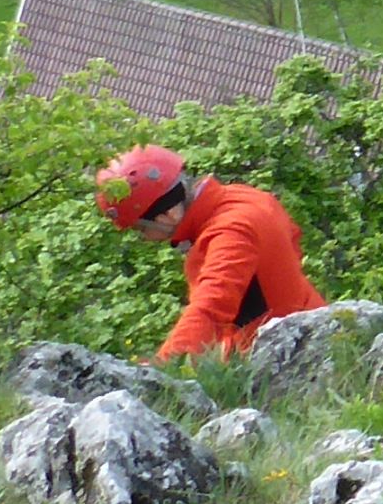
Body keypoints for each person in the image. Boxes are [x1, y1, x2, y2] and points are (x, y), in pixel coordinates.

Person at [94, 144, 325, 363]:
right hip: (309, 324)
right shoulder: (244, 197)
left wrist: (165, 368)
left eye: (140, 228)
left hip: (290, 356)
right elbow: (293, 244)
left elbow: (211, 308)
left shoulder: (230, 232)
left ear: (166, 217)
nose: (143, 237)